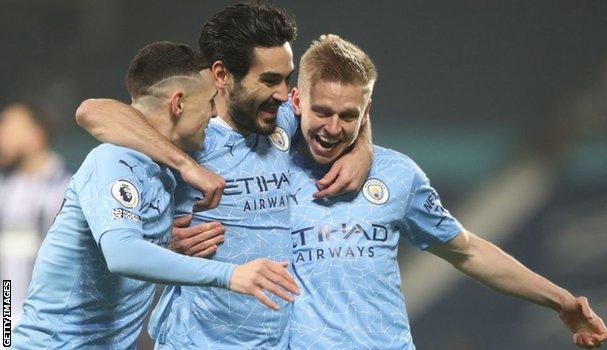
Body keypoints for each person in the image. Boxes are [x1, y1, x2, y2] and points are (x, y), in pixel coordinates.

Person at [75, 3, 373, 349]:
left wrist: (362, 148)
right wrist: (184, 172)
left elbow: (353, 100)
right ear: (222, 76)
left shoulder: (283, 123)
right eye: (269, 80)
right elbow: (91, 112)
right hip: (194, 341)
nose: (282, 93)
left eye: (286, 78)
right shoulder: (190, 136)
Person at [285, 34, 607, 349]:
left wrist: (561, 300)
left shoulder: (397, 175)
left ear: (366, 113)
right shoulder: (262, 166)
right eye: (323, 112)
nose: (332, 127)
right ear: (297, 100)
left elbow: (468, 252)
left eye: (348, 116)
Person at [12, 42, 298, 349]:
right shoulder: (113, 160)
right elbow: (122, 254)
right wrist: (231, 275)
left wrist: (162, 244)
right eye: (209, 102)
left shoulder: (159, 173)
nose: (213, 112)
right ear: (178, 104)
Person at [0, 102, 70, 327]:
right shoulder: (7, 190)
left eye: (8, 128)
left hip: (47, 325)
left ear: (36, 135)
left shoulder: (68, 190)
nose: (2, 137)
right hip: (7, 318)